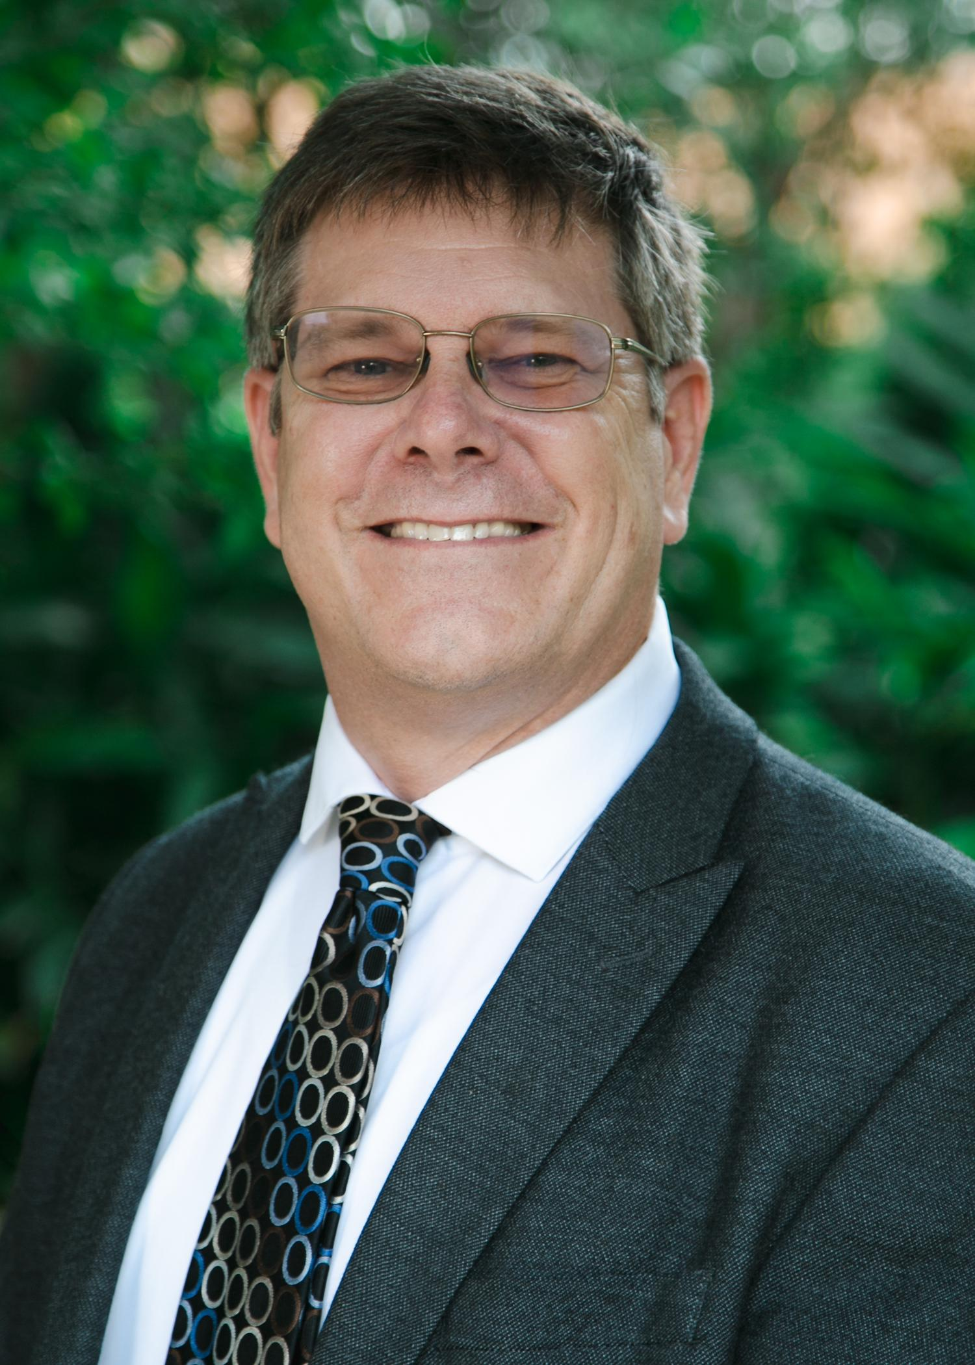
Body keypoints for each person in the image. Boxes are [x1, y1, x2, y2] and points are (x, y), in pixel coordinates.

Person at [2, 62, 974, 1365]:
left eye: (531, 359)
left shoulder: (919, 994)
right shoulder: (156, 917)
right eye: (363, 360)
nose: (443, 427)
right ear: (272, 446)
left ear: (671, 440)